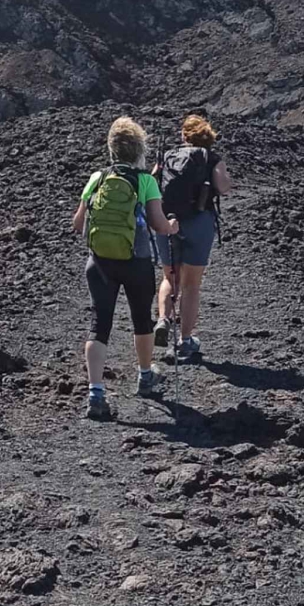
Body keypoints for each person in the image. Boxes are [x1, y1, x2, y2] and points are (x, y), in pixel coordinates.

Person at [72, 117, 179, 420]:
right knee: (141, 320)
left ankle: (95, 394)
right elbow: (159, 225)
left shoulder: (97, 177)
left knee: (99, 323)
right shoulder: (146, 181)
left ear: (112, 149)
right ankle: (145, 376)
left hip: (99, 262)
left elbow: (78, 223)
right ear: (139, 149)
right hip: (136, 261)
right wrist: (171, 226)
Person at [153, 115, 235, 360]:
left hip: (168, 220)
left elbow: (151, 180)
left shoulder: (168, 155)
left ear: (184, 135)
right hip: (199, 221)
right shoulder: (211, 157)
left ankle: (163, 320)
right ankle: (185, 340)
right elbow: (223, 187)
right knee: (191, 285)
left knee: (170, 277)